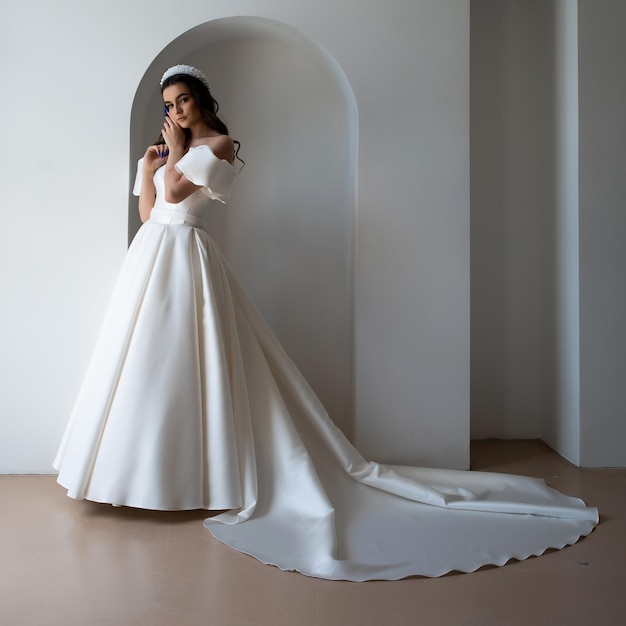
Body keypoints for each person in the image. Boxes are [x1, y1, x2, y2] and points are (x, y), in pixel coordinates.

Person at [54, 65, 598, 581]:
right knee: (144, 364)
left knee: (187, 362)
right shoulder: (173, 153)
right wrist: (147, 168)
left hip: (186, 261)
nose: (174, 110)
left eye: (183, 100)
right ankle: (135, 476)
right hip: (152, 256)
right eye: (168, 104)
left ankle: (201, 478)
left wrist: (171, 157)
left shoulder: (217, 145)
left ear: (202, 101)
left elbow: (179, 197)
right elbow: (152, 212)